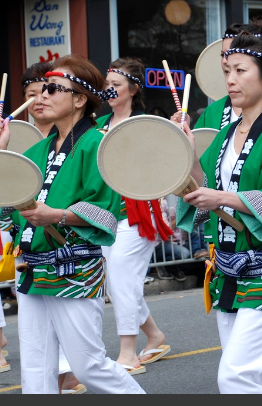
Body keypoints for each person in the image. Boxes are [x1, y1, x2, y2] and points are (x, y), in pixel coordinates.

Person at [0, 57, 145, 394]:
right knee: (35, 370)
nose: (42, 95)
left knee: (88, 366)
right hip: (31, 269)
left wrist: (56, 215)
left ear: (79, 98)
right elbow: (7, 207)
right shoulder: (36, 150)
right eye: (42, 88)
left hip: (74, 269)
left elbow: (105, 212)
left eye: (53, 89)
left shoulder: (98, 144)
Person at [175, 26, 262, 394]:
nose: (231, 80)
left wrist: (219, 199)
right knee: (245, 376)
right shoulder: (226, 132)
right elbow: (207, 183)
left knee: (235, 376)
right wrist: (186, 151)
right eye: (227, 72)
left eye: (240, 71)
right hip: (229, 269)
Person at [97, 60, 172, 372]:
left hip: (141, 212)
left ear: (134, 88)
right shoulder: (98, 123)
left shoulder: (148, 124)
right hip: (107, 215)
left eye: (116, 83)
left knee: (122, 277)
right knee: (118, 283)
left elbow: (165, 164)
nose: (109, 88)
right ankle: (154, 336)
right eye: (107, 83)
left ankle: (127, 351)